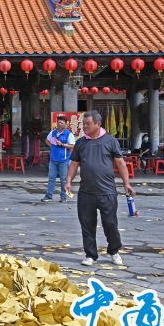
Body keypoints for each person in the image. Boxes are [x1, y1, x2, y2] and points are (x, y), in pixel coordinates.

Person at [64, 110, 135, 267]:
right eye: (84, 124)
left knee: (110, 223)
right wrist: (68, 181)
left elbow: (120, 163)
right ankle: (90, 255)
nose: (85, 127)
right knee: (87, 224)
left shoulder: (110, 141)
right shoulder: (80, 143)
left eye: (88, 124)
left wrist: (127, 183)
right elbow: (74, 164)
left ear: (98, 124)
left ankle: (114, 251)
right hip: (86, 192)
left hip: (107, 192)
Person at [41, 115, 76, 202]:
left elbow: (73, 146)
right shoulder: (53, 132)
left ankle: (63, 196)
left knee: (63, 179)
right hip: (53, 160)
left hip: (64, 160)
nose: (60, 124)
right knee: (51, 178)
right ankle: (49, 195)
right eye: (58, 122)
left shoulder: (68, 134)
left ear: (65, 124)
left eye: (62, 123)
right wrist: (52, 147)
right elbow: (47, 140)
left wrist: (62, 145)